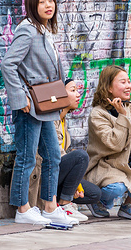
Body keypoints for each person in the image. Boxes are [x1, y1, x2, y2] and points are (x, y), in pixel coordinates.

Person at [0, 0, 78, 226]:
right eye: (42, 1)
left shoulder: (44, 30)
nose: (48, 5)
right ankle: (23, 209)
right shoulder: (28, 31)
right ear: (32, 5)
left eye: (51, 0)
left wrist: (66, 83)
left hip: (45, 104)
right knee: (27, 157)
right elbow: (8, 64)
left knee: (53, 156)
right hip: (29, 105)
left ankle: (49, 206)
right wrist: (19, 96)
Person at [85, 65, 131, 221]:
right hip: (106, 166)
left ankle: (128, 205)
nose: (128, 86)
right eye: (123, 82)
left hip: (126, 163)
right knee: (116, 188)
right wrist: (123, 117)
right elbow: (115, 144)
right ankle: (98, 200)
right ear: (109, 88)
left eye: (129, 81)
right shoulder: (98, 114)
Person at [28, 79, 103, 222]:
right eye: (73, 90)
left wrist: (76, 183)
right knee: (80, 156)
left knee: (94, 194)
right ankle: (63, 205)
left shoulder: (63, 121)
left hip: (57, 172)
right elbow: (53, 154)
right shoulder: (49, 121)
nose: (78, 95)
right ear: (60, 94)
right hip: (45, 174)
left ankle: (60, 202)